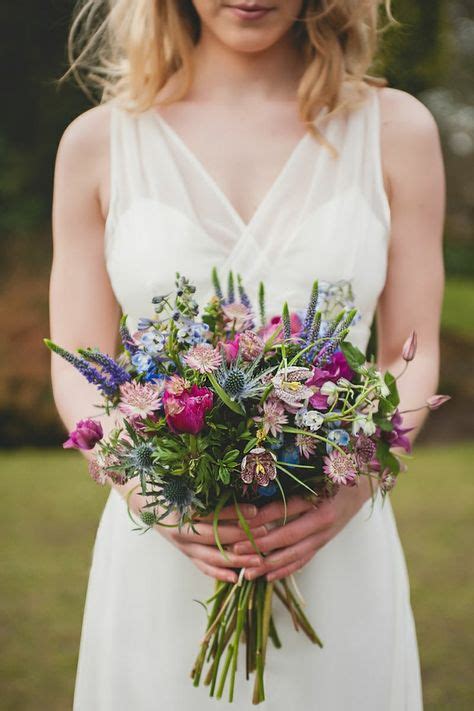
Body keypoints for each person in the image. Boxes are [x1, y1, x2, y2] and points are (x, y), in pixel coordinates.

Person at [48, 1, 445, 708]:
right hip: (164, 548)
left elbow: (410, 351)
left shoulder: (396, 130)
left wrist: (355, 485)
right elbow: (80, 364)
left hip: (333, 539)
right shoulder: (97, 142)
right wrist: (151, 493)